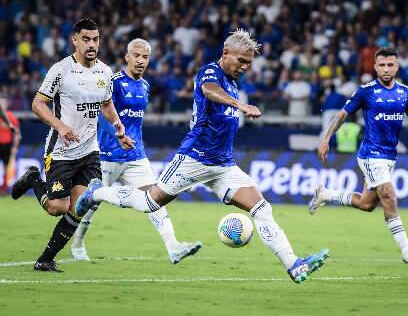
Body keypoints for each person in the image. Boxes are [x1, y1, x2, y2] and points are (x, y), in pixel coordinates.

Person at [76, 29, 330, 284]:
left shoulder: (232, 81)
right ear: (226, 53)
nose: (244, 67)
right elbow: (208, 89)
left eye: (249, 64)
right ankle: (95, 194)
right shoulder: (210, 73)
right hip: (194, 158)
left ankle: (294, 265)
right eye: (241, 61)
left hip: (223, 165)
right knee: (149, 203)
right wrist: (240, 105)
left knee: (262, 208)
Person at [10, 19, 134, 272]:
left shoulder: (105, 72)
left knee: (79, 207)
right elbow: (37, 104)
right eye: (86, 39)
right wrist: (60, 126)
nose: (92, 44)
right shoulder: (61, 70)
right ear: (75, 40)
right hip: (61, 151)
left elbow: (106, 103)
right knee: (57, 208)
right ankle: (34, 178)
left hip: (90, 151)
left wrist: (118, 125)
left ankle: (45, 259)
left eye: (95, 39)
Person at [71, 38, 201, 263]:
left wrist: (130, 139)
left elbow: (134, 121)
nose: (141, 61)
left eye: (145, 57)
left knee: (154, 199)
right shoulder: (113, 82)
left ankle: (173, 247)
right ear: (127, 58)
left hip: (135, 155)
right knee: (92, 204)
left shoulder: (145, 86)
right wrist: (118, 134)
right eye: (137, 56)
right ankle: (78, 243)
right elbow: (103, 111)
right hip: (107, 154)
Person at [309, 47, 408, 265]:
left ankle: (326, 195)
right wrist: (325, 139)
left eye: (390, 65)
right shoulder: (365, 91)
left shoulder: (405, 92)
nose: (386, 69)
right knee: (388, 193)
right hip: (371, 154)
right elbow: (342, 115)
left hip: (389, 156)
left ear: (397, 67)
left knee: (367, 204)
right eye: (382, 65)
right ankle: (407, 251)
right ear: (375, 66)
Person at [0, 98, 20, 195]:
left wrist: (15, 146)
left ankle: (4, 188)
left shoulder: (11, 117)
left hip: (6, 145)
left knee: (6, 167)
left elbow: (17, 133)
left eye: (3, 103)